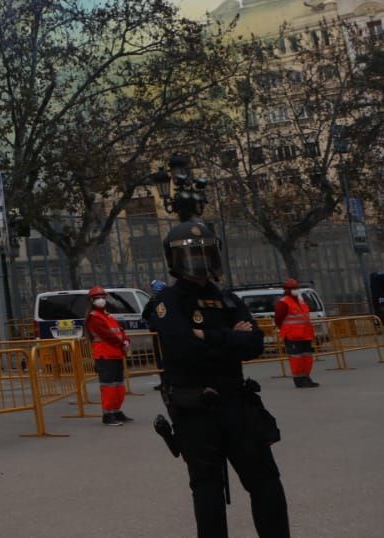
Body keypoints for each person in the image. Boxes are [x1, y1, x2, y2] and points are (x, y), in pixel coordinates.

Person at [146, 219, 289, 538]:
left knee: (266, 482)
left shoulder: (229, 300)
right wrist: (227, 339)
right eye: (189, 255)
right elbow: (181, 348)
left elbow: (254, 344)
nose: (198, 261)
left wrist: (205, 335)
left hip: (237, 405)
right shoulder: (167, 302)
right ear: (174, 260)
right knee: (207, 490)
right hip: (196, 408)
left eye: (204, 252)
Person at [85, 285, 132, 425]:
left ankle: (116, 411)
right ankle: (108, 414)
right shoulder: (94, 318)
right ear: (92, 301)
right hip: (104, 356)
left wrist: (126, 340)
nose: (101, 300)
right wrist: (122, 343)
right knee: (108, 387)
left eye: (103, 297)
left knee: (118, 385)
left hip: (115, 354)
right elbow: (106, 335)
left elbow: (119, 330)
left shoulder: (107, 316)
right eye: (97, 298)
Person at [272, 279, 319, 387]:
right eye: (293, 288)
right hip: (292, 335)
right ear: (287, 290)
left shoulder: (301, 300)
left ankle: (306, 378)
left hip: (305, 334)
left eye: (296, 288)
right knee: (296, 359)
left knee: (307, 357)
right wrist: (285, 329)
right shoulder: (283, 302)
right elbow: (278, 319)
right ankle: (299, 380)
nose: (296, 290)